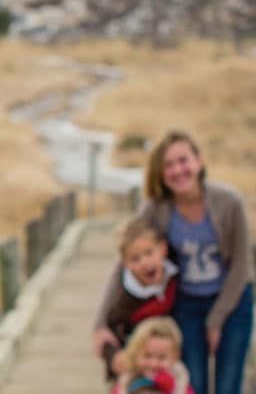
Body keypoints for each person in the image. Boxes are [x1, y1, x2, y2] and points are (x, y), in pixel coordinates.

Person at [95, 129, 253, 394]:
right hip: (187, 304)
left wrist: (216, 320)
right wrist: (100, 324)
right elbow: (125, 261)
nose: (178, 170)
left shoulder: (230, 203)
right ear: (160, 172)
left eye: (184, 160)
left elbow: (242, 267)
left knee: (228, 386)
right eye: (169, 165)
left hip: (233, 302)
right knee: (193, 384)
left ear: (198, 161)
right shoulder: (157, 208)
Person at [101, 217, 179, 380]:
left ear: (163, 249)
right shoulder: (124, 300)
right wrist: (115, 357)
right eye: (135, 259)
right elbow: (109, 334)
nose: (145, 262)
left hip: (168, 363)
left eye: (149, 253)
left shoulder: (175, 279)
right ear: (124, 263)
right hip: (137, 370)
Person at [112, 317, 193, 394]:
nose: (154, 363)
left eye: (162, 357)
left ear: (176, 357)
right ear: (135, 354)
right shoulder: (125, 383)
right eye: (148, 355)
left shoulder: (180, 383)